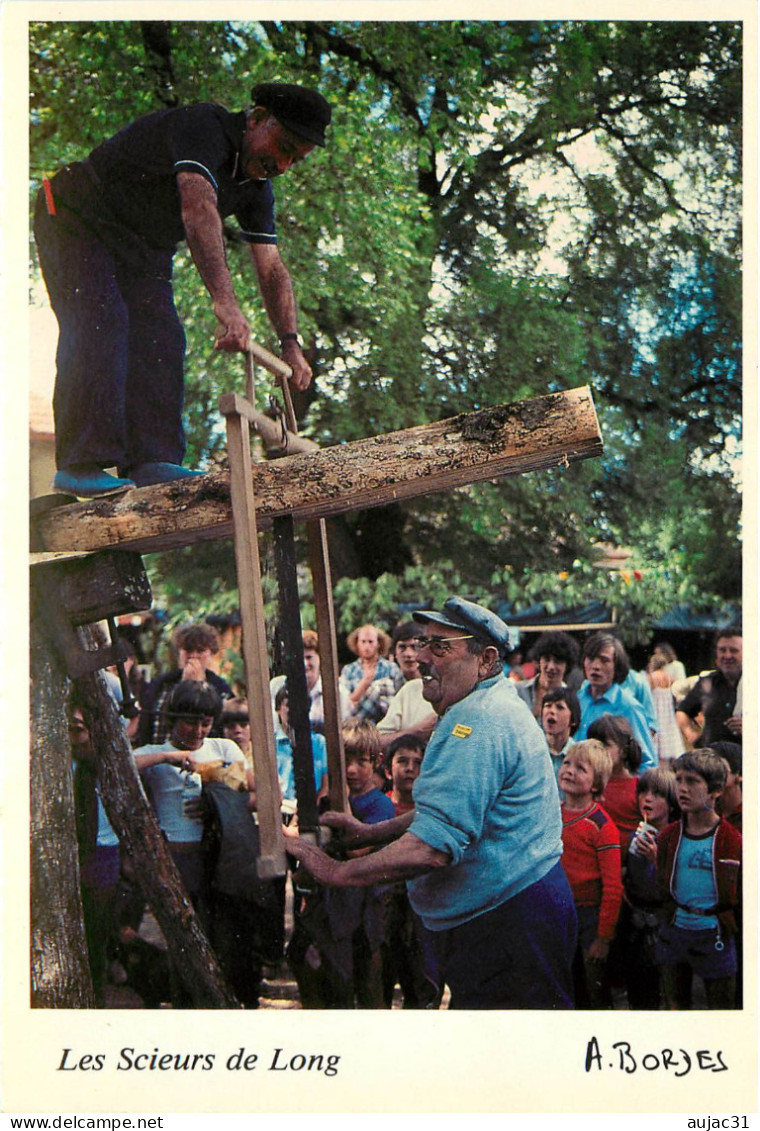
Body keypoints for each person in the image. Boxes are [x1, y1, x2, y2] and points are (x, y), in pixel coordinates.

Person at [34, 83, 330, 497]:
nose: (282, 164)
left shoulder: (257, 187)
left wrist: (290, 343)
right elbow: (198, 207)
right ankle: (81, 464)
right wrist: (225, 303)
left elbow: (272, 267)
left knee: (162, 337)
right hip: (77, 214)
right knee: (102, 320)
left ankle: (152, 459)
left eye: (295, 159)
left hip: (144, 243)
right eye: (283, 146)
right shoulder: (203, 126)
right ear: (257, 118)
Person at [285, 596, 578, 1010]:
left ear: (486, 659)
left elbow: (432, 846)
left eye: (440, 647)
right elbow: (451, 813)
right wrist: (370, 833)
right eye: (423, 643)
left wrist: (335, 871)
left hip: (510, 922)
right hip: (512, 913)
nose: (421, 657)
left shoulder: (476, 723)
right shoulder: (481, 707)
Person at [654, 749, 741, 1010]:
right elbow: (661, 883)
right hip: (676, 931)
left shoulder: (730, 839)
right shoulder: (669, 836)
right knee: (675, 1006)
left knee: (720, 1009)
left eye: (692, 781)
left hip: (714, 931)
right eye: (679, 780)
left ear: (715, 790)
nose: (682, 788)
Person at [557, 739, 622, 1009]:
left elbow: (613, 887)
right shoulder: (552, 815)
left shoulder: (601, 825)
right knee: (563, 984)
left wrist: (603, 938)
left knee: (593, 990)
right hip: (558, 912)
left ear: (596, 785)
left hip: (590, 917)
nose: (569, 770)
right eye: (567, 763)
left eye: (581, 768)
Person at [68, 698, 122, 1006]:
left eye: (82, 726)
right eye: (72, 726)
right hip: (72, 854)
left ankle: (96, 999)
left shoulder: (104, 761)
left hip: (103, 852)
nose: (77, 732)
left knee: (97, 933)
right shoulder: (57, 762)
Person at [615, 767, 679, 1010]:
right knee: (638, 990)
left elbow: (677, 887)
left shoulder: (674, 839)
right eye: (643, 792)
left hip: (663, 925)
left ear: (671, 804)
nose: (648, 798)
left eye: (657, 794)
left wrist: (656, 859)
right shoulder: (636, 836)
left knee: (665, 991)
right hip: (635, 924)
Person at [135, 622, 233, 746]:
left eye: (200, 651)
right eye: (188, 650)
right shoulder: (161, 685)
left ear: (211, 654)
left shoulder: (220, 689)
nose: (193, 656)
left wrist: (196, 685)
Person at [575, 632, 658, 771]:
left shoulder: (629, 707)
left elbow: (648, 763)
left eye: (604, 660)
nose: (595, 666)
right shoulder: (577, 700)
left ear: (617, 666)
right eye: (590, 658)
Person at [270, 629, 352, 734]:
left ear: (320, 658)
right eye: (299, 658)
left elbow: (343, 732)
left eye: (309, 657)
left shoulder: (338, 693)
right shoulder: (276, 686)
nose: (304, 664)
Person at [676, 629, 743, 747]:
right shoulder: (707, 683)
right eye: (722, 650)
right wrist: (690, 734)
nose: (727, 656)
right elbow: (682, 711)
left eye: (734, 651)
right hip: (714, 759)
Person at [587, 714, 643, 854]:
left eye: (604, 745)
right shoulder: (587, 784)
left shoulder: (639, 787)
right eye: (593, 745)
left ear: (623, 751)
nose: (597, 751)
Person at [340, 624, 403, 725]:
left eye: (370, 642)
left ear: (378, 644)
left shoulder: (391, 668)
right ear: (357, 644)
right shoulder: (349, 670)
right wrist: (365, 683)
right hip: (356, 724)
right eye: (363, 642)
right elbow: (346, 704)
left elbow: (399, 699)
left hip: (384, 723)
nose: (367, 646)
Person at [516, 630, 580, 720]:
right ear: (539, 660)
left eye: (558, 661)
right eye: (546, 659)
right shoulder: (517, 691)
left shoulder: (571, 701)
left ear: (567, 666)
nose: (551, 667)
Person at [540, 686, 581, 791]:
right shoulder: (532, 750)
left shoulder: (579, 756)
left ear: (573, 720)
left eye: (560, 707)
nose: (552, 711)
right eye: (548, 706)